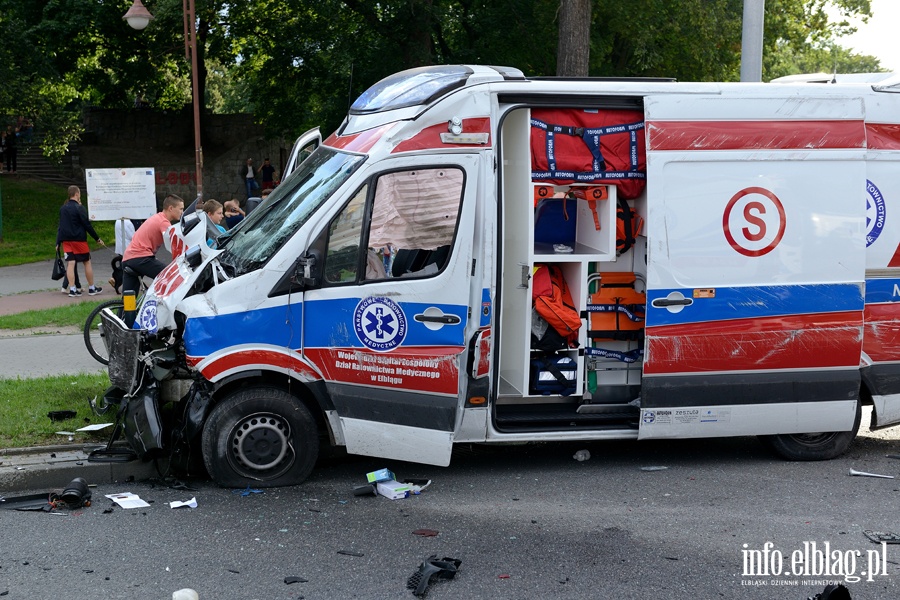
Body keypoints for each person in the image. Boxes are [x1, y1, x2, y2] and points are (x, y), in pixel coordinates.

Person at [121, 194, 185, 295]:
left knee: (128, 300)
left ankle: (122, 311)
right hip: (140, 258)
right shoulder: (163, 222)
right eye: (181, 209)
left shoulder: (157, 217)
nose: (182, 212)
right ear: (171, 208)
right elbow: (173, 243)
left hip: (128, 258)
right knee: (170, 276)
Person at [56, 186, 105, 297]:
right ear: (77, 194)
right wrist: (97, 238)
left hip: (66, 240)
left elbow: (61, 226)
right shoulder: (79, 208)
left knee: (70, 263)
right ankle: (92, 288)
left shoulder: (62, 209)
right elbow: (87, 225)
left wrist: (58, 242)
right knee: (86, 261)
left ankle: (72, 289)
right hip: (79, 239)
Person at [108, 218, 136, 294]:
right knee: (126, 269)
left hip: (120, 247)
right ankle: (126, 284)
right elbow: (132, 236)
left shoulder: (117, 220)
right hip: (128, 247)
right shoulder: (128, 223)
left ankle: (114, 279)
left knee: (121, 267)